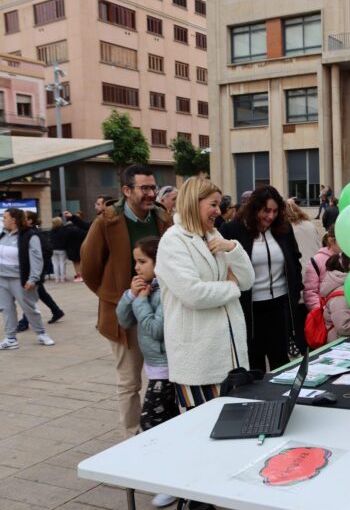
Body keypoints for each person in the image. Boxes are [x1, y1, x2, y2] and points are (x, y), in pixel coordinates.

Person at [80, 165, 172, 437]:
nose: (151, 194)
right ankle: (133, 436)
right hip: (125, 315)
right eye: (144, 188)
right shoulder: (107, 221)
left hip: (160, 311)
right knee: (130, 381)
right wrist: (114, 297)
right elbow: (89, 267)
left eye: (153, 188)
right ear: (126, 190)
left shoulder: (162, 217)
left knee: (165, 376)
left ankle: (164, 429)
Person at [155, 177, 254, 413]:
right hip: (199, 360)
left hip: (230, 356)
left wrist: (232, 248)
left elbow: (248, 281)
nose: (218, 212)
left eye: (219, 205)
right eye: (213, 204)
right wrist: (231, 288)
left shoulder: (214, 236)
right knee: (202, 429)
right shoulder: (173, 242)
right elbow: (194, 294)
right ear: (193, 203)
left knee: (232, 423)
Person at [115, 236, 177, 508]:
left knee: (153, 424)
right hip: (155, 369)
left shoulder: (165, 291)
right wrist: (130, 296)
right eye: (135, 261)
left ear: (158, 262)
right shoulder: (146, 288)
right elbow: (123, 319)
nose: (137, 267)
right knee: (162, 425)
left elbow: (155, 329)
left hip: (167, 371)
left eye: (143, 261)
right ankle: (169, 479)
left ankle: (170, 482)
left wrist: (140, 300)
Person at [220, 185, 304, 372]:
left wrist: (296, 287)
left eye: (275, 211)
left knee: (282, 363)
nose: (271, 216)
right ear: (254, 208)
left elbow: (294, 259)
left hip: (280, 307)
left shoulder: (283, 229)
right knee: (253, 365)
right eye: (266, 210)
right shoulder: (232, 229)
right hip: (249, 308)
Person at [0, 208, 56, 350]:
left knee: (29, 308)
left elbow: (37, 259)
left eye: (5, 217)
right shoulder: (3, 235)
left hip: (21, 280)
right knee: (7, 309)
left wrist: (33, 279)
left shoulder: (30, 236)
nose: (2, 219)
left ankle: (42, 334)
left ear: (13, 220)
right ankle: (10, 338)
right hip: (2, 278)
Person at [16, 211, 64, 331]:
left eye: (23, 218)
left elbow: (47, 251)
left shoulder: (35, 234)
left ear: (30, 221)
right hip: (30, 270)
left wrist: (36, 266)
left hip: (35, 271)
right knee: (40, 293)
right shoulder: (23, 233)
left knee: (30, 295)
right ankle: (56, 311)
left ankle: (25, 321)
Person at [303, 226, 341, 311]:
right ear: (331, 241)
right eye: (344, 240)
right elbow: (310, 293)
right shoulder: (317, 261)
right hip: (326, 314)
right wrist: (322, 311)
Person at [285, 199, 322, 279]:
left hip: (300, 270)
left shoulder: (288, 228)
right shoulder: (309, 224)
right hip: (316, 265)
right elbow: (318, 244)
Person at [50, 217, 68, 282]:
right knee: (62, 263)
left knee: (55, 264)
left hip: (53, 249)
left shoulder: (51, 231)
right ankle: (63, 278)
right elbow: (65, 240)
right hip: (62, 249)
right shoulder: (63, 230)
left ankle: (57, 278)